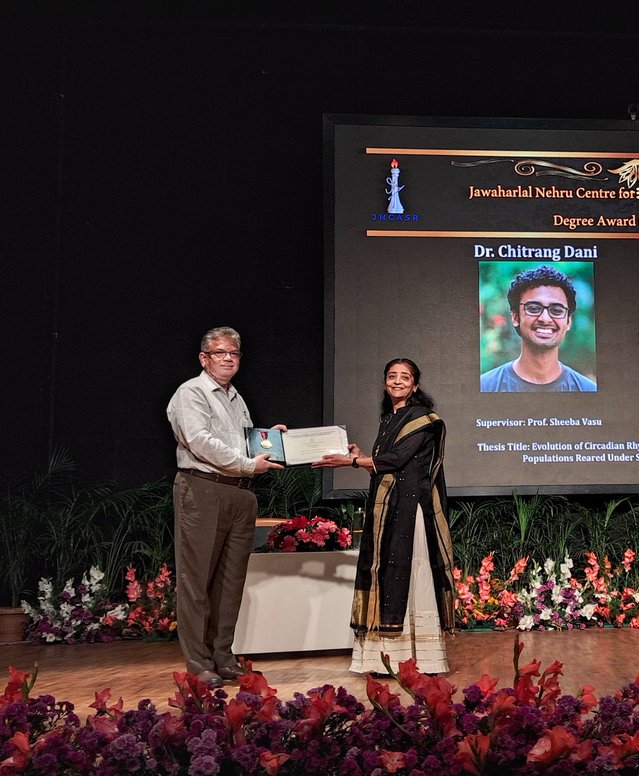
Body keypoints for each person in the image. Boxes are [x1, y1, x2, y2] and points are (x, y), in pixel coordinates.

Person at [315, 358, 454, 674]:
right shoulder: (388, 420)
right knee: (385, 572)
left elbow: (397, 459)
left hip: (409, 510)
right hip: (389, 510)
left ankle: (419, 658)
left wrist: (353, 463)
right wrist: (358, 456)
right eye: (392, 376)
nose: (398, 381)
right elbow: (385, 463)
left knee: (407, 573)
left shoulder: (422, 418)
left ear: (415, 385)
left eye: (405, 377)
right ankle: (384, 658)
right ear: (385, 383)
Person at [167, 326, 284, 688]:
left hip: (239, 493)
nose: (229, 358)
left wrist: (272, 442)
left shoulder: (235, 397)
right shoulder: (192, 392)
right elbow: (200, 442)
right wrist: (249, 463)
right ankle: (199, 662)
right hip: (204, 489)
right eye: (221, 353)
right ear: (204, 358)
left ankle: (224, 656)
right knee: (197, 579)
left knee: (230, 582)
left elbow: (243, 443)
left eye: (234, 353)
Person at [480, 264, 598, 391]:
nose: (545, 319)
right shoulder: (486, 386)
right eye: (534, 309)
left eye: (556, 310)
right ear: (515, 317)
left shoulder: (587, 389)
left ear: (568, 321)